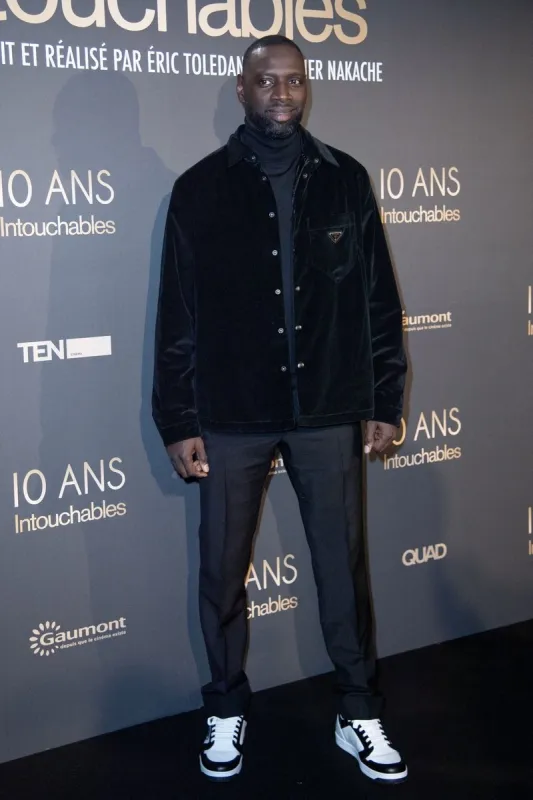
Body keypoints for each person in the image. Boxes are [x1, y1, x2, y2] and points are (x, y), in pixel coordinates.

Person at [153, 35, 408, 785]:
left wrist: (382, 399)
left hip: (329, 406)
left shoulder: (346, 181)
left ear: (306, 88)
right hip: (231, 413)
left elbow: (377, 304)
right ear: (240, 88)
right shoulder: (199, 190)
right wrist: (178, 419)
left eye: (292, 81)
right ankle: (225, 708)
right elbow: (178, 317)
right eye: (265, 80)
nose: (280, 93)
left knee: (341, 567)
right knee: (223, 573)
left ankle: (357, 710)